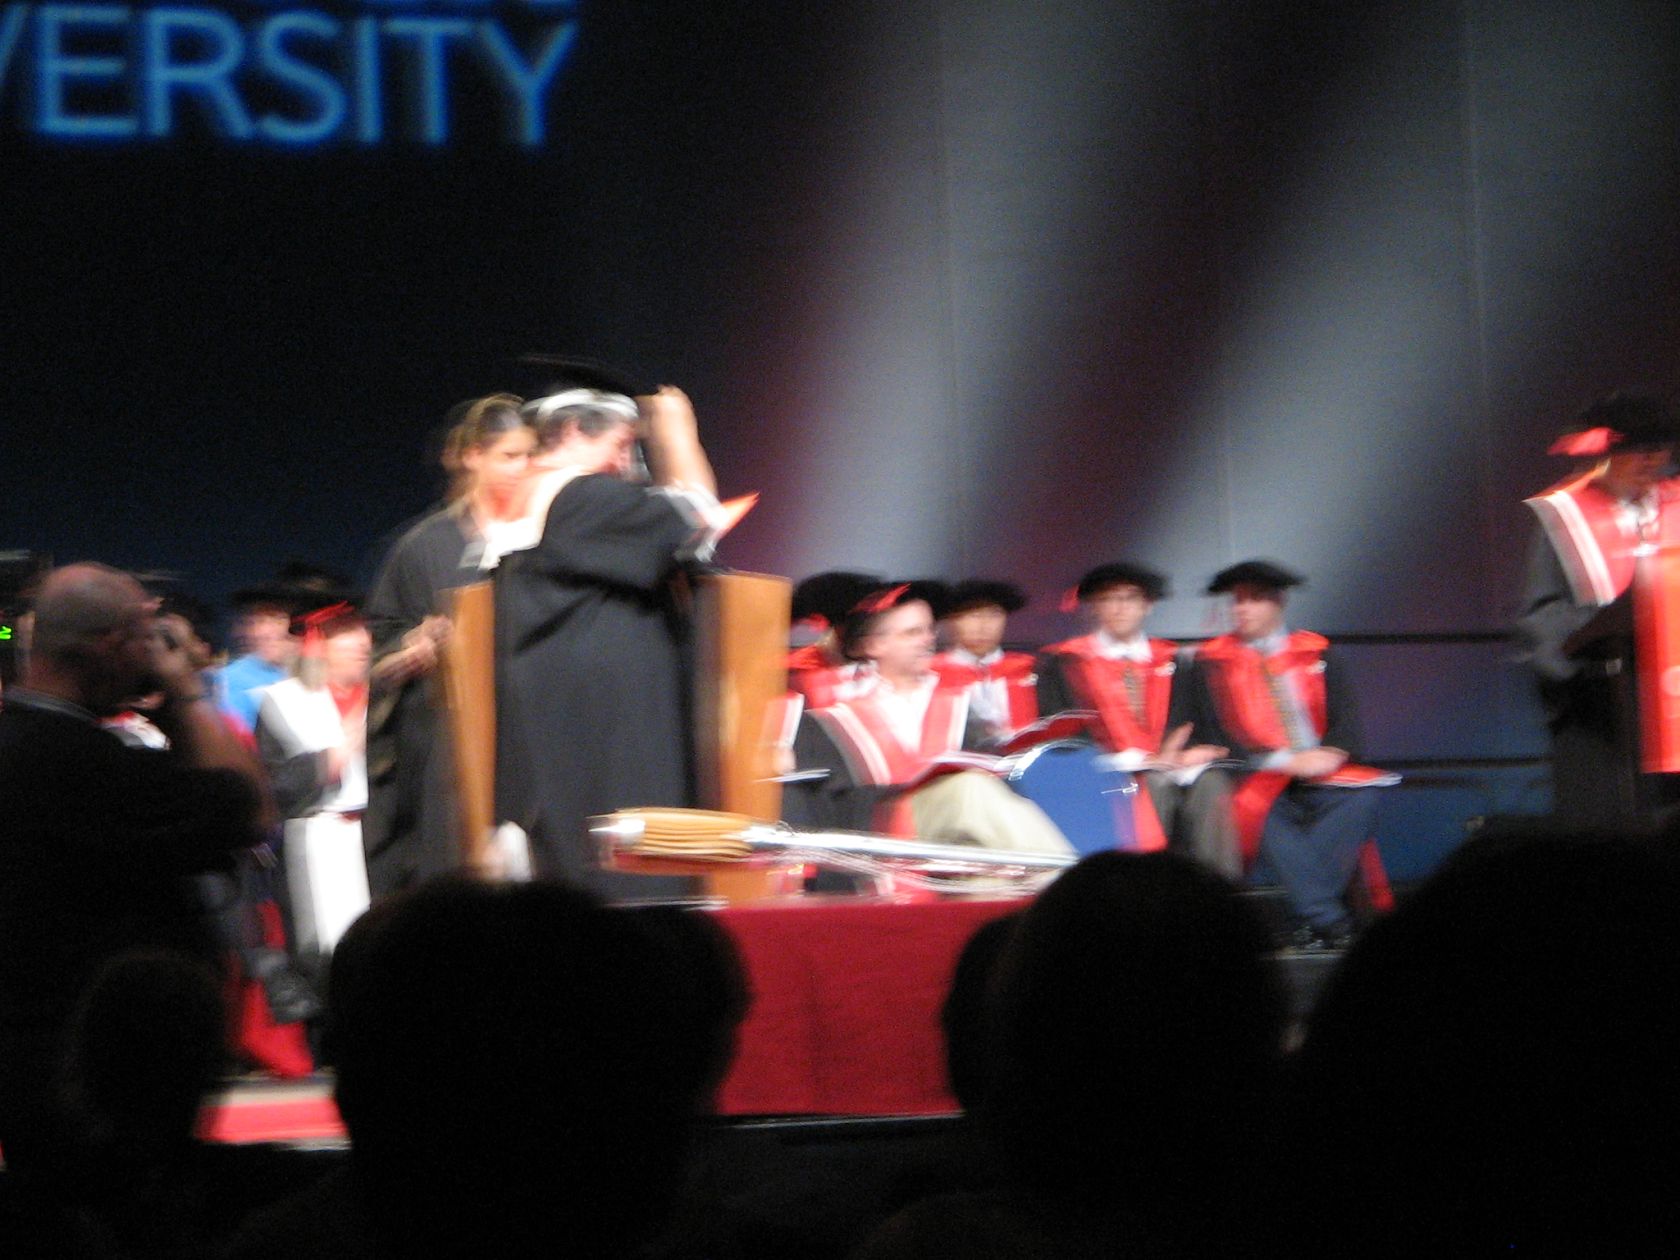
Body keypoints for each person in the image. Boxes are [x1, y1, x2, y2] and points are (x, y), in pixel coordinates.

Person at [0, 563, 268, 1180]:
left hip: (28, 1050)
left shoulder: (24, 744)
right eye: (145, 639)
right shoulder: (87, 765)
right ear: (111, 646)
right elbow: (250, 810)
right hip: (108, 1066)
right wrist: (186, 694)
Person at [494, 369, 723, 890]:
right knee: (631, 880)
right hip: (608, 735)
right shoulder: (579, 497)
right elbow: (699, 522)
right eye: (622, 446)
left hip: (566, 724)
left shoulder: (533, 501)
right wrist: (677, 435)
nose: (626, 464)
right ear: (573, 431)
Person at [362, 394, 535, 897]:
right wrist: (413, 648)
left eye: (530, 456)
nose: (522, 468)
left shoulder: (543, 538)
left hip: (527, 731)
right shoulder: (424, 546)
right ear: (472, 456)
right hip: (446, 741)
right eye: (509, 456)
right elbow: (381, 650)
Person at [1167, 560, 1388, 949]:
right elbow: (1212, 733)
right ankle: (1328, 919)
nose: (1242, 609)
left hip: (1321, 772)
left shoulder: (1316, 651)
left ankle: (1314, 918)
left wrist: (1332, 752)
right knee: (1263, 812)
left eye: (1254, 599)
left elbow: (1346, 723)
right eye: (1237, 600)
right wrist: (1283, 762)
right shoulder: (1210, 661)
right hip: (1257, 774)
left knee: (1362, 796)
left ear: (1279, 602)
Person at [786, 583, 1072, 855]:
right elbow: (828, 803)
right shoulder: (835, 715)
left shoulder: (960, 706)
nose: (926, 640)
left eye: (928, 630)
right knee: (968, 790)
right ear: (874, 645)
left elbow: (994, 777)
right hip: (880, 836)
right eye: (911, 633)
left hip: (960, 847)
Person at [1517, 392, 1680, 823]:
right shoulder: (1567, 516)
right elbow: (1543, 618)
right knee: (1609, 832)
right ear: (1606, 453)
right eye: (1638, 449)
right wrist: (1595, 636)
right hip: (1601, 708)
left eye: (1660, 448)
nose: (1652, 460)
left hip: (1674, 699)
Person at [1038, 562, 1239, 874]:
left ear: (1148, 605)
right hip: (1106, 770)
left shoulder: (1174, 660)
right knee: (1150, 785)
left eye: (1130, 598)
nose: (1120, 608)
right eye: (1108, 599)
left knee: (1213, 783)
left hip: (1172, 766)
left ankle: (1219, 891)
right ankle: (1144, 891)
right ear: (1094, 607)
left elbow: (1196, 721)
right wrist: (1136, 761)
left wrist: (1193, 750)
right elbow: (1061, 735)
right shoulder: (1065, 662)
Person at [255, 599, 373, 984]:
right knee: (331, 964)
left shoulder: (384, 694)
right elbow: (273, 787)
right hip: (318, 843)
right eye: (345, 631)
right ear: (317, 642)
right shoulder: (283, 702)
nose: (362, 640)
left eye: (362, 627)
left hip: (380, 839)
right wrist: (327, 761)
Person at [931, 579, 1039, 741]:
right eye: (973, 615)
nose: (984, 626)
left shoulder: (1029, 669)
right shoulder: (932, 674)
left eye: (994, 614)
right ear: (953, 620)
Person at [214, 582, 298, 736]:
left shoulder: (311, 674)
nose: (266, 632)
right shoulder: (230, 681)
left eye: (279, 620)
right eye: (258, 621)